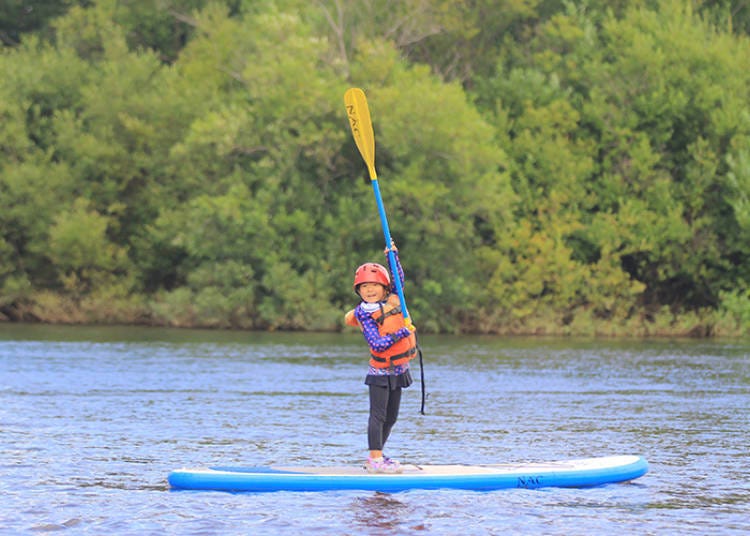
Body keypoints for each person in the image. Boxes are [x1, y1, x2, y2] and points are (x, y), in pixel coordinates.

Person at [344, 241, 417, 474]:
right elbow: (376, 343)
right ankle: (375, 459)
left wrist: (392, 257)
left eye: (374, 285)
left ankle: (378, 456)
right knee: (378, 415)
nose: (369, 290)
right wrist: (403, 332)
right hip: (379, 373)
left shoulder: (392, 302)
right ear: (359, 291)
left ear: (384, 289)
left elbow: (398, 281)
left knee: (392, 417)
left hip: (399, 370)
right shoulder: (364, 314)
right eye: (364, 286)